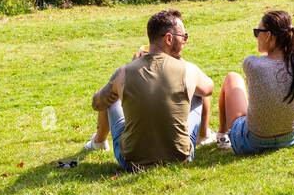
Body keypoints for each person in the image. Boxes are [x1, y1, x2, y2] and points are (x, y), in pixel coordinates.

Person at [85, 9, 215, 170]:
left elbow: (98, 103)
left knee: (111, 96)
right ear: (169, 38)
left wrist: (124, 83)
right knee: (199, 93)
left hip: (131, 162)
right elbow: (209, 88)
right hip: (181, 158)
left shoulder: (123, 72)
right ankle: (204, 136)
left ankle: (98, 141)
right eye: (184, 37)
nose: (185, 41)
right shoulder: (188, 69)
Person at [216, 9, 294, 155]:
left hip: (251, 143)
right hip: (291, 140)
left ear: (269, 35)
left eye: (258, 32)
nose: (256, 36)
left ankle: (221, 135)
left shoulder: (252, 64)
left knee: (232, 78)